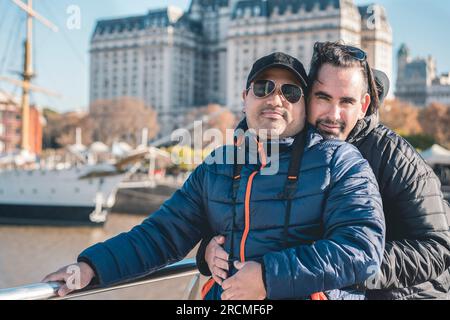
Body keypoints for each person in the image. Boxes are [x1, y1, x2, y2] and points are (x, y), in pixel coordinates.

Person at [43, 52, 385, 300]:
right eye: (263, 87)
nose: (275, 99)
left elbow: (362, 247)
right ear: (244, 97)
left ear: (303, 106)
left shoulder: (341, 162)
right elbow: (161, 234)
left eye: (290, 92)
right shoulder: (218, 165)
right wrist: (91, 267)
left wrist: (268, 277)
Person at [199, 42, 450, 300]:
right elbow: (250, 208)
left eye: (346, 102)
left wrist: (339, 269)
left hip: (400, 294)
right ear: (306, 97)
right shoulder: (283, 144)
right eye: (323, 98)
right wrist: (210, 249)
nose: (334, 114)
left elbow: (437, 248)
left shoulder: (394, 156)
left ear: (363, 105)